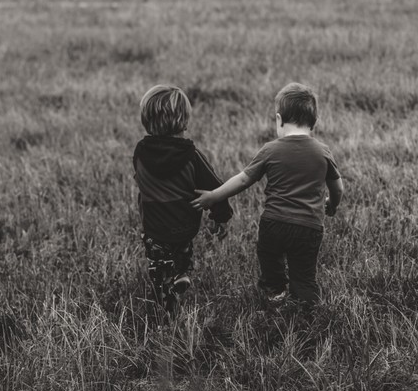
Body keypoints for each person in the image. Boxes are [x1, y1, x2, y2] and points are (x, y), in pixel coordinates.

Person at [192, 83, 343, 307]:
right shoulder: (323, 151)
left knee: (270, 261)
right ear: (315, 123)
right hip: (309, 227)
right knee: (304, 271)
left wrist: (214, 196)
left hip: (274, 224)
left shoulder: (270, 149)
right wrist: (332, 204)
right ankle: (307, 302)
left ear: (279, 119)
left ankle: (275, 292)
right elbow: (338, 187)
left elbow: (243, 179)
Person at [133, 84, 232, 313]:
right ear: (184, 121)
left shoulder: (140, 152)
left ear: (146, 120)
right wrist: (221, 216)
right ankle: (181, 273)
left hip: (155, 227)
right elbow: (215, 187)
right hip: (184, 224)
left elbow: (139, 178)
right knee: (182, 251)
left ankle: (165, 298)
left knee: (159, 266)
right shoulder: (191, 155)